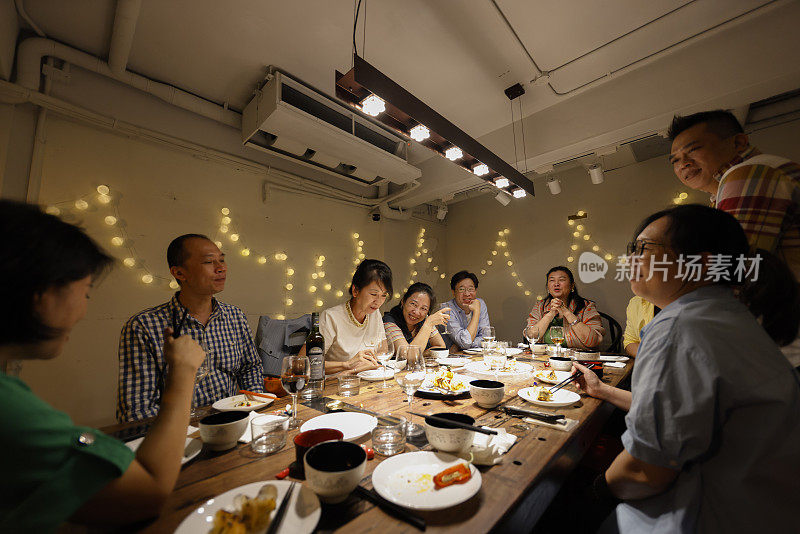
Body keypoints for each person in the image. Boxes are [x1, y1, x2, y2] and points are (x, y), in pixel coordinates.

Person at [574, 204, 800, 533]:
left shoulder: (680, 327)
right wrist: (601, 390)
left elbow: (644, 471)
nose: (630, 260)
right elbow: (684, 418)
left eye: (643, 249)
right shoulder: (727, 317)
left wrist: (592, 495)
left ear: (702, 263)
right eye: (631, 249)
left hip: (704, 515)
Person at [0, 200, 206, 530]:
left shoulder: (12, 394)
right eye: (85, 292)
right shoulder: (9, 409)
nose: (83, 310)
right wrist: (182, 373)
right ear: (40, 292)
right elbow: (146, 492)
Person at [668, 109, 800, 365]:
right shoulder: (733, 185)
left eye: (692, 150)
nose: (682, 163)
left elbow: (732, 274)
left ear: (738, 142)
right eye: (675, 160)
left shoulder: (750, 171)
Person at [117, 234, 264, 422]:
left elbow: (250, 367)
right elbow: (137, 409)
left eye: (222, 260)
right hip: (177, 432)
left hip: (233, 423)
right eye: (209, 262)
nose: (221, 268)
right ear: (179, 273)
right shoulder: (144, 326)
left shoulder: (234, 316)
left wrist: (252, 410)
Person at [305, 259, 391, 374]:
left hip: (367, 380)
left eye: (383, 295)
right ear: (355, 290)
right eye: (374, 294)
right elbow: (305, 363)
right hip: (336, 384)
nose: (378, 301)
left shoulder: (375, 314)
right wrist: (346, 364)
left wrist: (369, 363)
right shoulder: (331, 317)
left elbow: (383, 350)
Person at [524, 266, 603, 349]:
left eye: (561, 280)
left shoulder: (587, 306)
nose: (556, 284)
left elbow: (593, 341)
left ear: (572, 285)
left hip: (577, 359)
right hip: (545, 357)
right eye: (552, 280)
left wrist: (566, 312)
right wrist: (550, 314)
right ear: (548, 286)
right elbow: (531, 336)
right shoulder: (540, 306)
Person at [383, 282, 449, 352]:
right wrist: (428, 324)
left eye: (423, 308)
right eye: (413, 304)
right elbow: (406, 355)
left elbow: (440, 346)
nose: (416, 312)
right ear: (403, 301)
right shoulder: (389, 322)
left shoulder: (425, 320)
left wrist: (424, 354)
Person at [442, 271, 491, 350]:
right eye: (461, 289)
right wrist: (476, 313)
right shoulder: (447, 309)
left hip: (475, 356)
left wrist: (460, 345)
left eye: (470, 289)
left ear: (475, 290)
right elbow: (465, 343)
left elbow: (486, 337)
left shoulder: (480, 303)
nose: (467, 294)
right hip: (453, 358)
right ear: (453, 292)